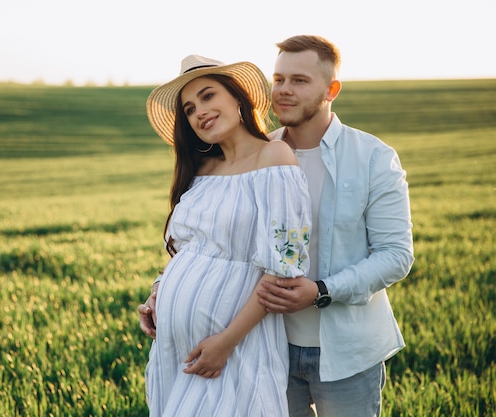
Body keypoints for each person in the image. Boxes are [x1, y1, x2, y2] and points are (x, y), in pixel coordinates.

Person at [140, 35, 415, 417]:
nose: (284, 90)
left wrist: (321, 290)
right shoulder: (248, 155)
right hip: (270, 342)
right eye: (279, 79)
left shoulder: (370, 157)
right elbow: (208, 244)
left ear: (331, 89)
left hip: (344, 348)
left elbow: (396, 256)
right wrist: (162, 289)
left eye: (299, 80)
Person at [142, 54, 312, 417]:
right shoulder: (202, 170)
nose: (198, 112)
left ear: (238, 99)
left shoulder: (275, 156)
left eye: (207, 96)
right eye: (188, 109)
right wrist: (160, 293)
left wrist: (226, 342)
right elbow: (189, 251)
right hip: (177, 348)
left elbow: (285, 265)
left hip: (235, 346)